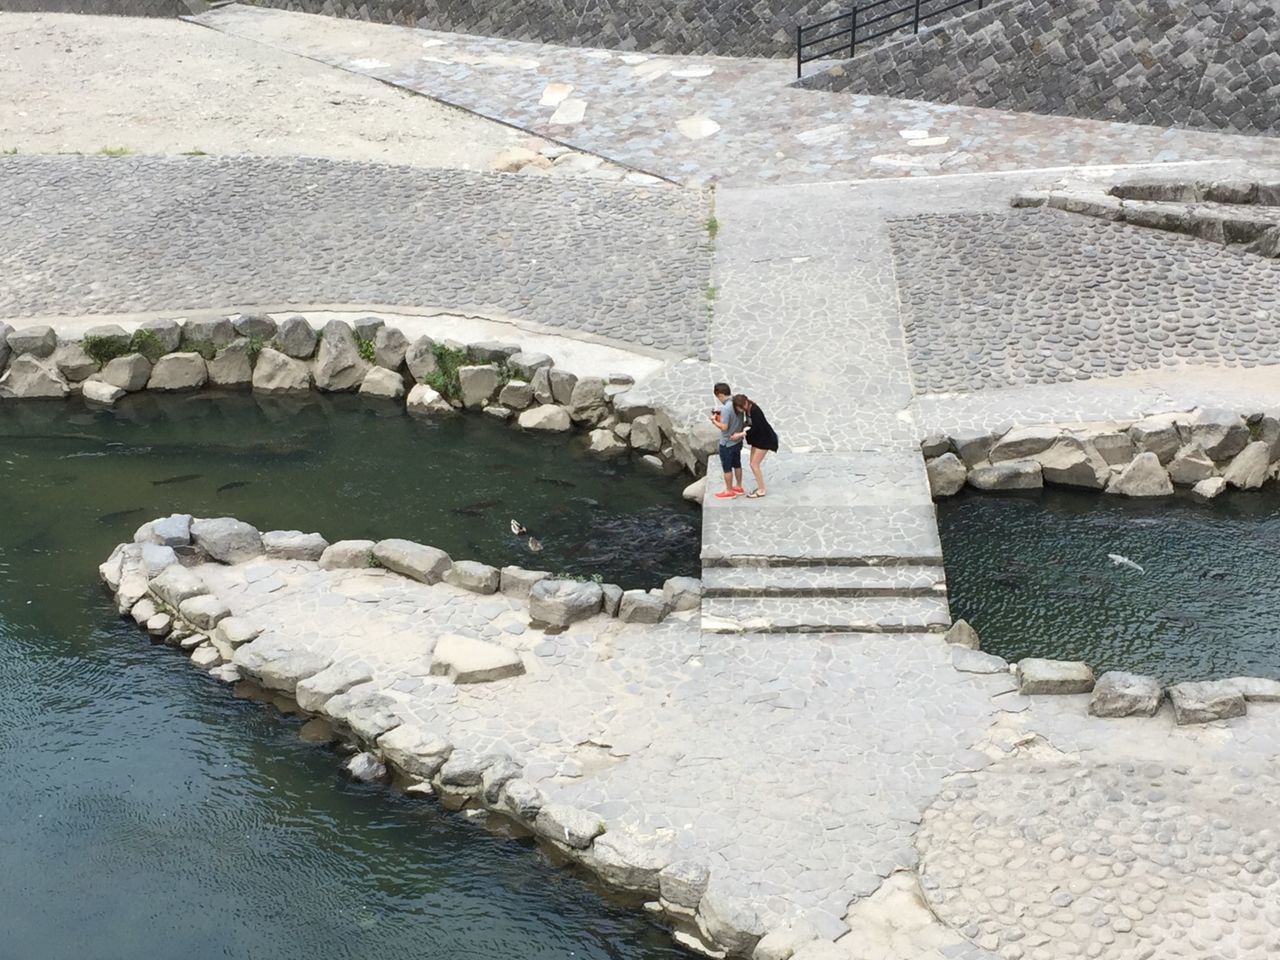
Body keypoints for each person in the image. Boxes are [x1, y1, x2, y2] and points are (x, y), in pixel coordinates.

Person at [730, 393, 778, 499]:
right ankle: (760, 486)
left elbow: (757, 428)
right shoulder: (748, 410)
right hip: (757, 440)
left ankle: (761, 490)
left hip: (765, 440)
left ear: (745, 403)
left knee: (754, 464)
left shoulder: (755, 411)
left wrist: (740, 434)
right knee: (752, 464)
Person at [709, 381, 745, 499]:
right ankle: (739, 486)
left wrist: (714, 420)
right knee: (737, 464)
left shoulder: (725, 408)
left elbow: (724, 427)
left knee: (727, 468)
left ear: (720, 395)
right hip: (738, 440)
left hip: (727, 442)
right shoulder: (737, 402)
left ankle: (729, 490)